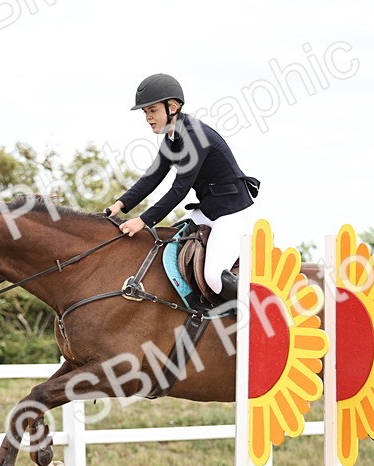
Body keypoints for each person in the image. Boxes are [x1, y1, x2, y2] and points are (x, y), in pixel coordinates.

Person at [106, 73, 260, 301]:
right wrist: (119, 205)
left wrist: (143, 221)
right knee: (166, 248)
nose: (148, 118)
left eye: (152, 110)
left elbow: (179, 189)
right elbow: (152, 177)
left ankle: (257, 311)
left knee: (214, 277)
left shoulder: (195, 136)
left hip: (232, 213)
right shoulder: (172, 137)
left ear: (173, 107)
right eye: (145, 112)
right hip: (208, 210)